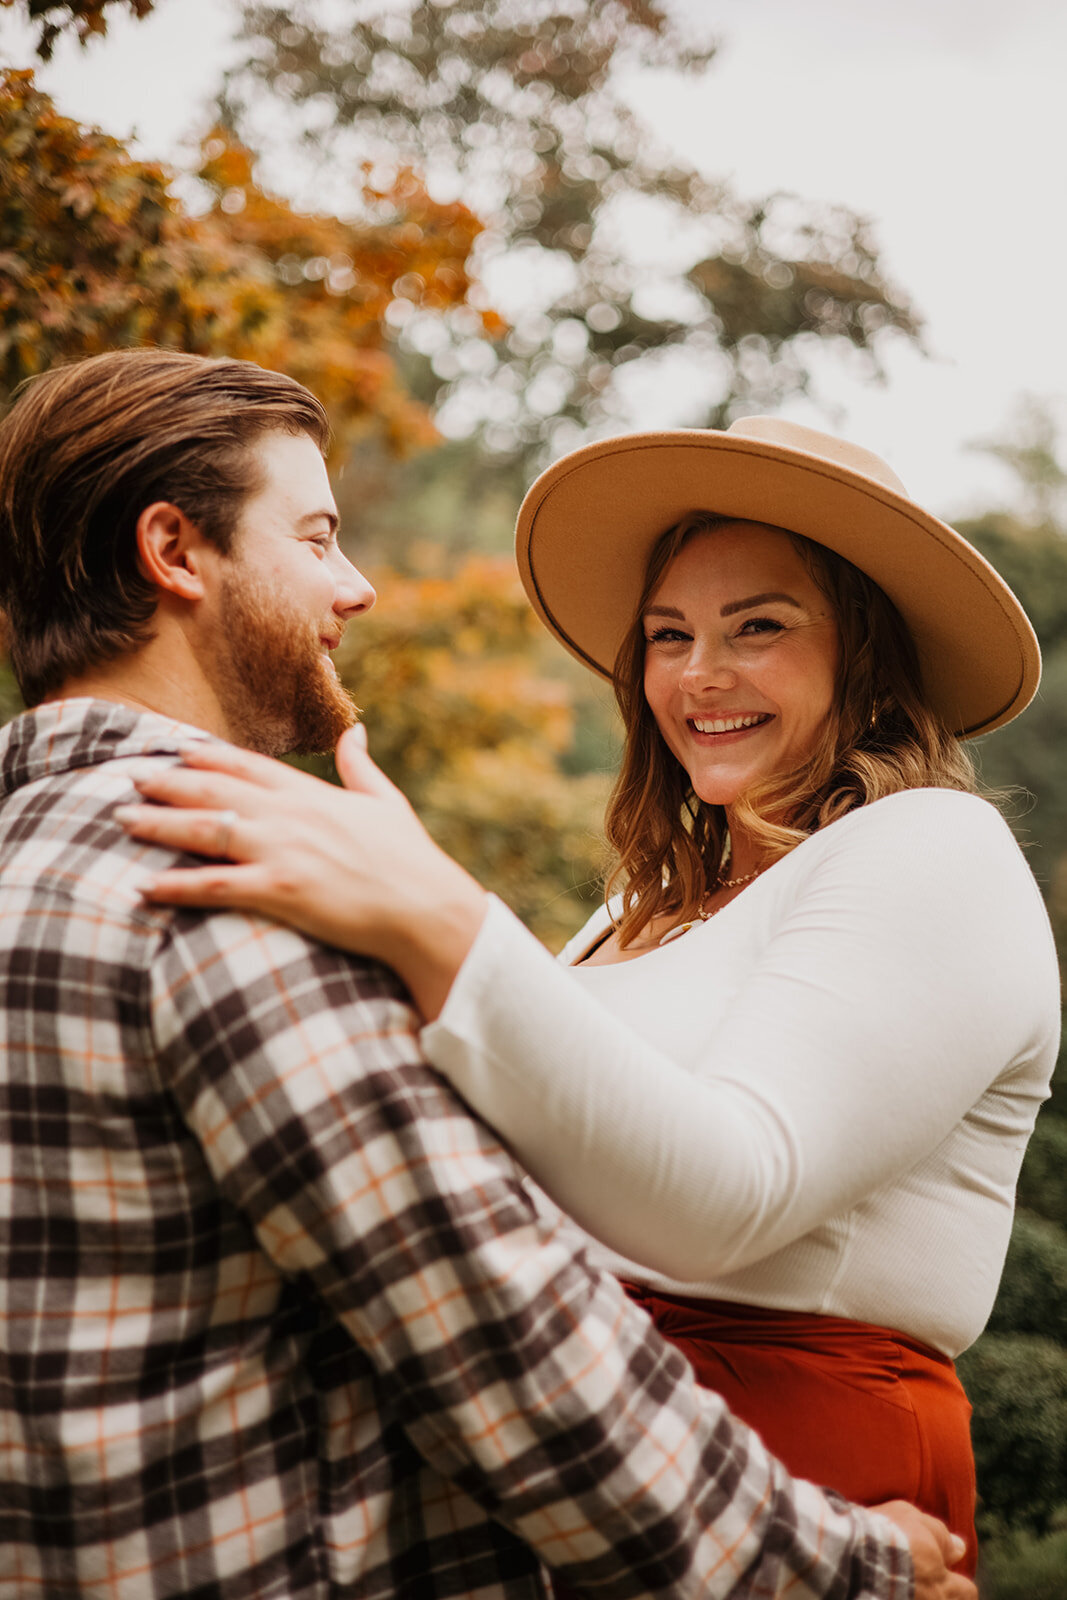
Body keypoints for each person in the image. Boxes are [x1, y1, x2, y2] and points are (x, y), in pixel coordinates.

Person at [0, 350, 974, 1600]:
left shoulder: (41, 853)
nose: (355, 586)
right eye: (316, 535)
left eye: (758, 626)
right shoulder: (235, 886)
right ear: (176, 552)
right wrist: (849, 1566)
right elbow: (506, 1349)